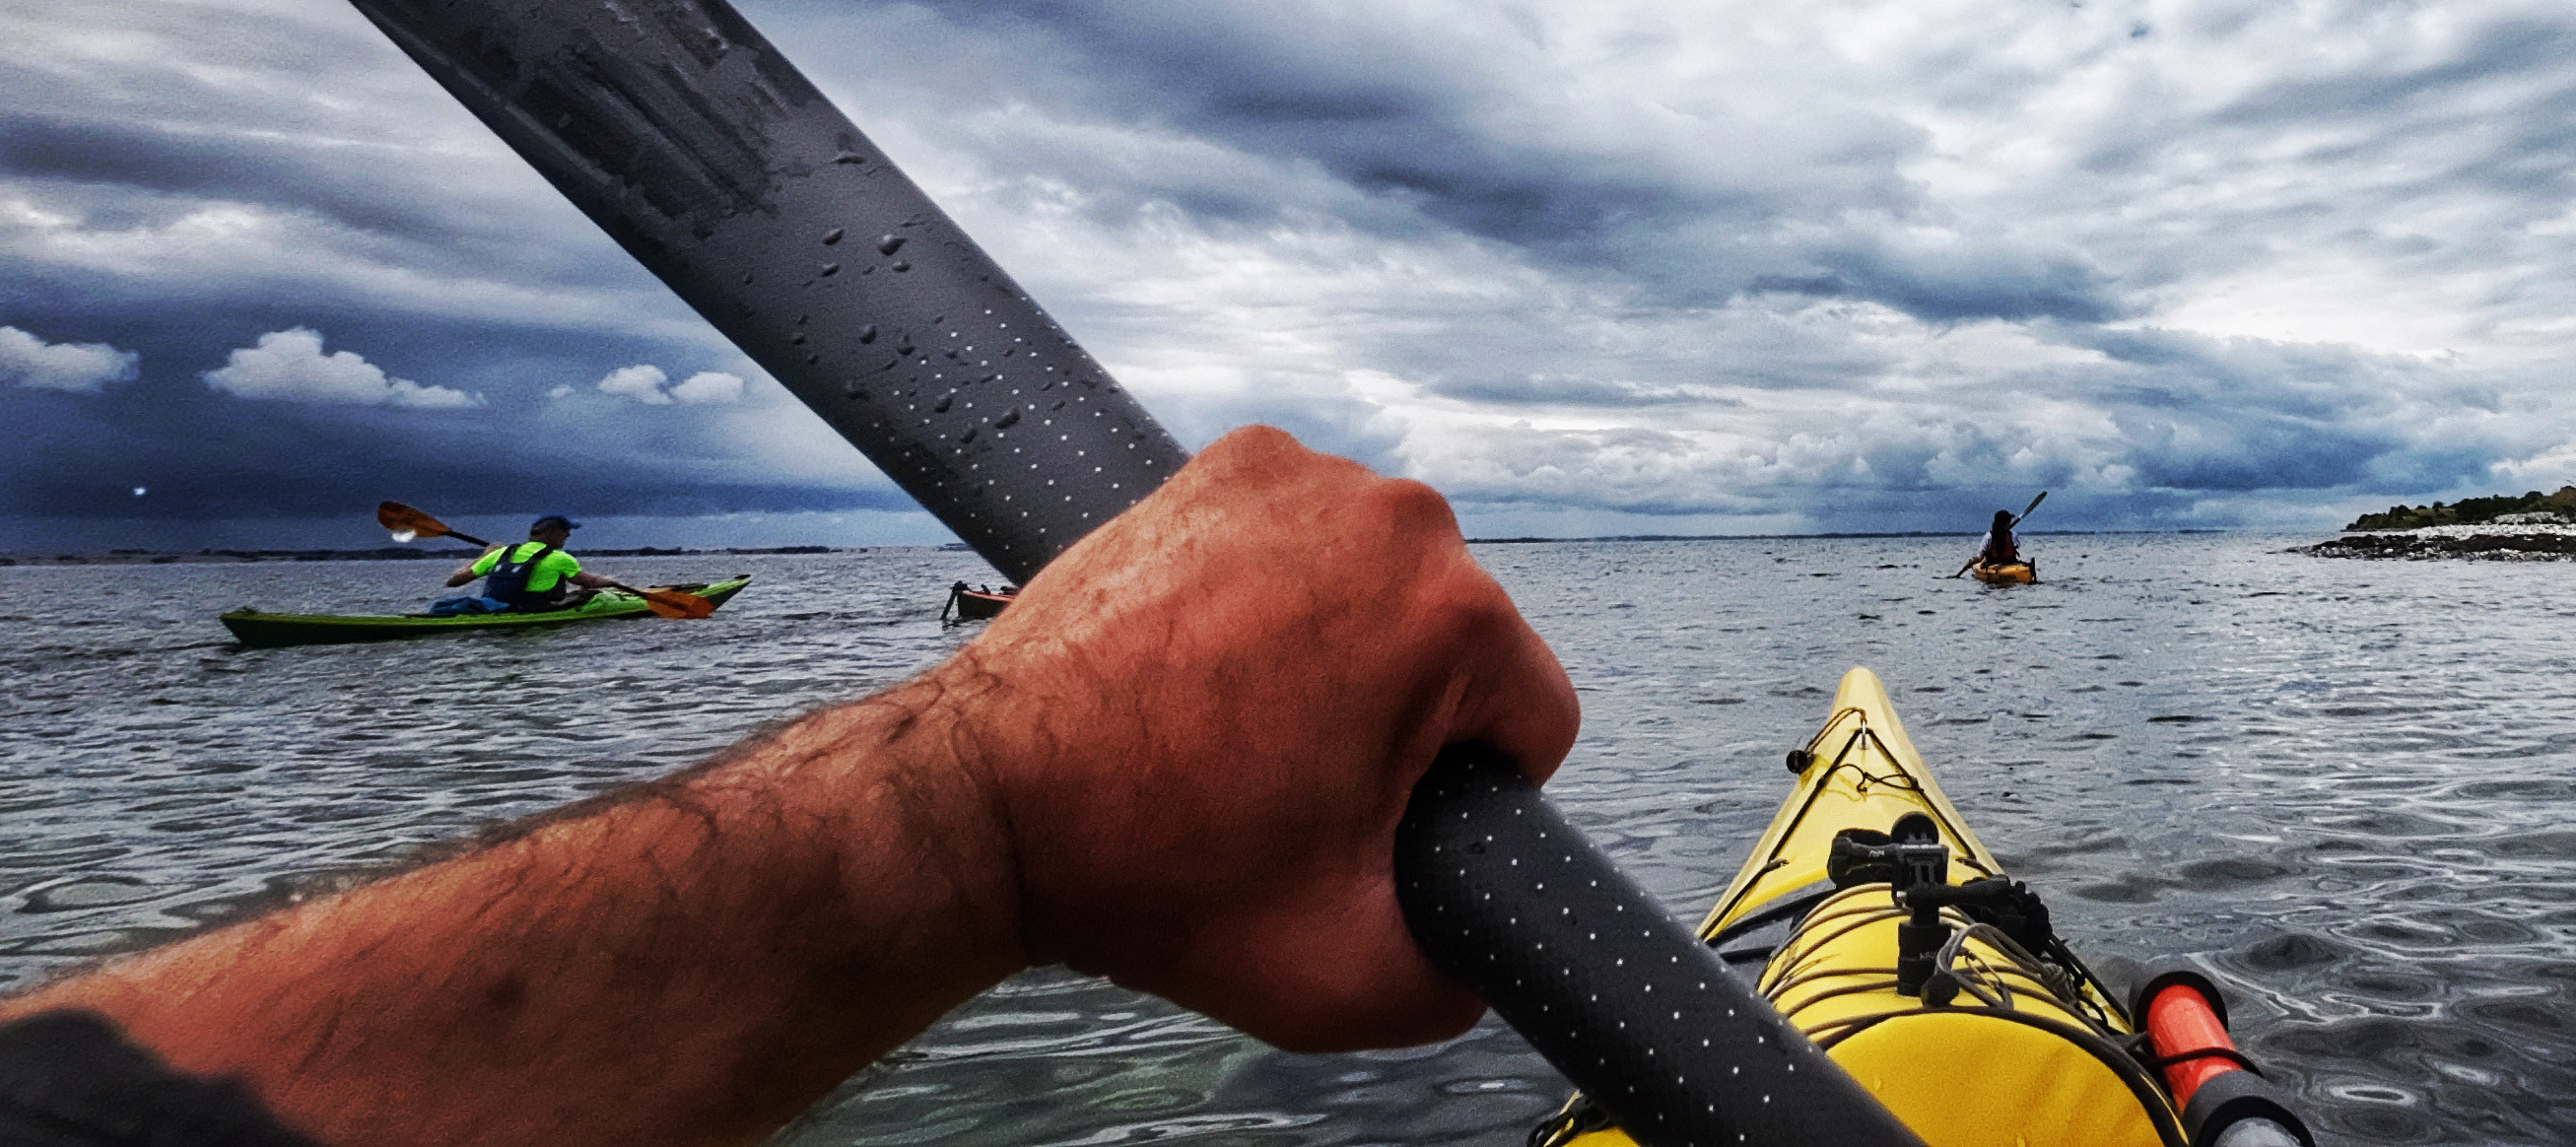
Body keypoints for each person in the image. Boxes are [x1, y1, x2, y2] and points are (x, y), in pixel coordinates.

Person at [0, 428, 1580, 1147]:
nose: (532, 547)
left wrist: (981, 804)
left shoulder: (535, 567)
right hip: (502, 613)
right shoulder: (516, 568)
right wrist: (983, 803)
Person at [430, 514, 592, 614]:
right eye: (565, 530)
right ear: (551, 532)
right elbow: (591, 582)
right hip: (535, 610)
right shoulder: (559, 557)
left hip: (496, 607)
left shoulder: (500, 554)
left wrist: (485, 556)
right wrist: (607, 583)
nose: (568, 535)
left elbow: (453, 581)